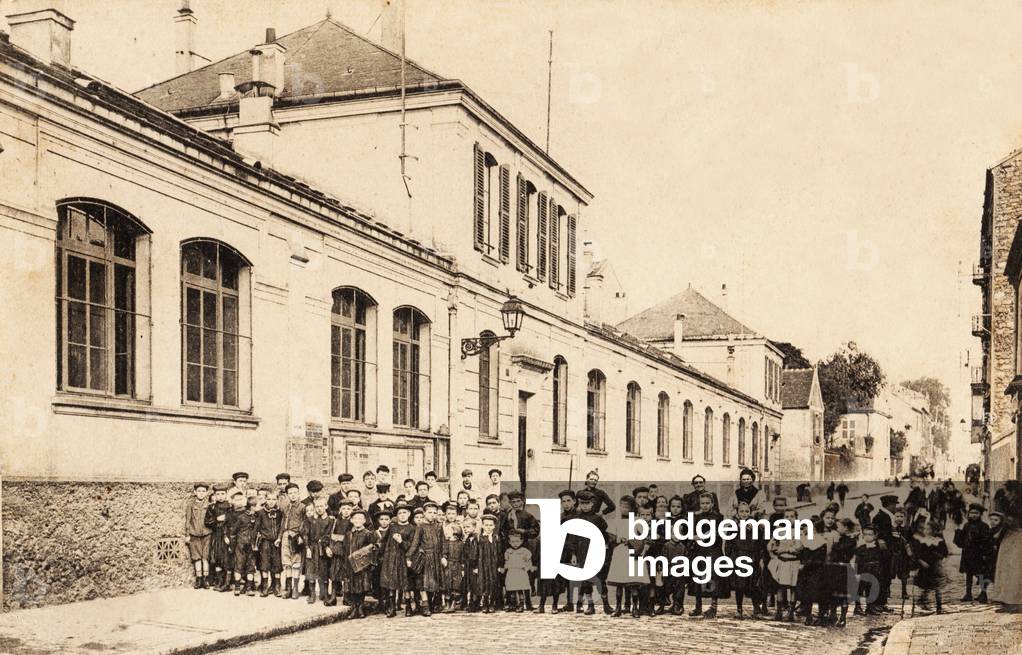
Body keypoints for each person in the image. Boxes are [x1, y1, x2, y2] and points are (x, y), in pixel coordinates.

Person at [726, 501, 765, 619]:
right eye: (741, 511)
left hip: (752, 558)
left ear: (750, 513)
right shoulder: (733, 527)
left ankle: (756, 607)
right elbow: (729, 544)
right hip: (738, 558)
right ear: (737, 513)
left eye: (746, 511)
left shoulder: (755, 527)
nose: (744, 514)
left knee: (753, 584)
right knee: (740, 585)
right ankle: (739, 608)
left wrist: (758, 558)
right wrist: (729, 558)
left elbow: (759, 543)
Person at [407, 501, 444, 616]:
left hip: (436, 557)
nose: (432, 515)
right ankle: (425, 605)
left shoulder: (438, 526)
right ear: (424, 513)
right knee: (424, 583)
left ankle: (433, 604)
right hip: (425, 558)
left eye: (434, 512)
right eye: (429, 512)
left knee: (434, 582)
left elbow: (443, 543)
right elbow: (415, 543)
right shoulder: (420, 527)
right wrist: (409, 557)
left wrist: (444, 556)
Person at [990, 480, 1022, 609]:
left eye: (1008, 492)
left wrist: (1007, 520)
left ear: (1014, 492)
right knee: (1005, 566)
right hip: (1009, 537)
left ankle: (1016, 600)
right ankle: (1006, 598)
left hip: (1018, 537)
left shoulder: (1019, 504)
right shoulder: (1009, 504)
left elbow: (1017, 522)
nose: (1006, 495)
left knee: (1015, 568)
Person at [767, 508, 802, 622]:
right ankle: (779, 611)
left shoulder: (799, 532)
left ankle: (791, 611)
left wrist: (785, 549)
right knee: (780, 587)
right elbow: (771, 545)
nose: (789, 519)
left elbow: (799, 547)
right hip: (782, 562)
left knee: (793, 587)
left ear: (796, 519)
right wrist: (773, 554)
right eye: (787, 517)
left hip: (794, 562)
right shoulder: (780, 531)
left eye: (792, 516)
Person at [380, 503, 415, 617]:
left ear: (409, 514)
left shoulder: (411, 528)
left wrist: (401, 542)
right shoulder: (392, 527)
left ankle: (408, 606)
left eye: (404, 512)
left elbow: (412, 545)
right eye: (400, 513)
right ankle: (392, 607)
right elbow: (384, 541)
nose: (402, 515)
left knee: (406, 583)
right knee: (391, 582)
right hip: (391, 558)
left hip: (404, 558)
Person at [343, 508, 378, 618]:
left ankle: (361, 607)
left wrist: (370, 563)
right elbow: (345, 549)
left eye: (360, 518)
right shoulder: (348, 534)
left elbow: (373, 548)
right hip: (351, 564)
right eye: (355, 518)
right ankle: (354, 607)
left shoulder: (368, 534)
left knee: (362, 586)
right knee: (352, 586)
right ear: (351, 520)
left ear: (364, 520)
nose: (358, 520)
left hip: (363, 566)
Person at [955, 502, 993, 602]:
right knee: (969, 574)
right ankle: (968, 594)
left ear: (980, 514)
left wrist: (985, 554)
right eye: (971, 513)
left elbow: (986, 541)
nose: (973, 515)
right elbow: (960, 542)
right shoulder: (966, 525)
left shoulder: (984, 526)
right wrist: (958, 532)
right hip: (967, 554)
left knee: (981, 574)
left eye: (976, 513)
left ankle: (983, 594)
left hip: (979, 554)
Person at [300, 496, 334, 605]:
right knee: (311, 571)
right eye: (317, 506)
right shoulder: (310, 520)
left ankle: (324, 593)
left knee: (323, 570)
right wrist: (307, 548)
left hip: (323, 549)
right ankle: (312, 594)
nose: (319, 508)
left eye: (321, 506)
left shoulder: (330, 520)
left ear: (326, 506)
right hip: (312, 548)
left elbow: (329, 535)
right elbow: (305, 534)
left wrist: (326, 545)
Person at [910, 519, 948, 614]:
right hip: (925, 567)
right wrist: (921, 562)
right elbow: (917, 554)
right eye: (925, 529)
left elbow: (945, 553)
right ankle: (922, 601)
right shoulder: (922, 541)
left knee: (937, 586)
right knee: (926, 586)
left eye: (928, 529)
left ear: (934, 530)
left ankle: (939, 606)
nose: (926, 531)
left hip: (936, 567)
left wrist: (938, 558)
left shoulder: (939, 541)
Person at [277, 482, 306, 599]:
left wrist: (301, 536)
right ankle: (288, 588)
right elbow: (283, 523)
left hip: (296, 537)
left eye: (295, 492)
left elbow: (305, 523)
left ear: (298, 493)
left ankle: (295, 588)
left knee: (296, 563)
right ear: (287, 495)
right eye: (290, 493)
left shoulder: (302, 507)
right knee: (287, 562)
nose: (293, 495)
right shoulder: (286, 507)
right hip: (285, 536)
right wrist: (279, 537)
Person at [230, 496, 260, 596]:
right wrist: (233, 545)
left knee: (251, 566)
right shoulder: (241, 517)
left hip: (252, 545)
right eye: (257, 506)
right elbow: (233, 532)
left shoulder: (257, 517)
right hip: (241, 545)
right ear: (252, 506)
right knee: (239, 565)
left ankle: (248, 587)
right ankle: (237, 587)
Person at [853, 525, 887, 615]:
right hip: (863, 570)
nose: (867, 536)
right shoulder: (861, 548)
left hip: (875, 571)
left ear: (875, 536)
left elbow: (883, 560)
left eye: (870, 534)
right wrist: (857, 573)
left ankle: (870, 607)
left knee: (871, 589)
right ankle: (857, 607)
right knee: (860, 589)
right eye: (865, 534)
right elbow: (858, 561)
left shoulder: (879, 547)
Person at [184, 482, 212, 589]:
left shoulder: (209, 505)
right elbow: (188, 520)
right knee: (197, 558)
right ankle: (199, 579)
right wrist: (187, 534)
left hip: (207, 533)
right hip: (194, 534)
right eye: (199, 491)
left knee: (205, 557)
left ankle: (206, 579)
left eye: (203, 491)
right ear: (195, 492)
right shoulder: (191, 505)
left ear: (206, 493)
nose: (201, 493)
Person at [255, 491, 283, 597]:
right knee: (264, 564)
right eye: (269, 499)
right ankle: (265, 587)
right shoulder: (261, 512)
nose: (271, 502)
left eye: (274, 499)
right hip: (265, 542)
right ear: (266, 500)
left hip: (276, 542)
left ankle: (276, 587)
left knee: (276, 564)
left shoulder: (280, 512)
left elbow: (282, 527)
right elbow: (257, 527)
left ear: (277, 500)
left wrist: (279, 538)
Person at [475, 513, 504, 613]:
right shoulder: (479, 538)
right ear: (482, 525)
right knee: (484, 583)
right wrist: (475, 566)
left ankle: (492, 603)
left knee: (493, 583)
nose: (488, 527)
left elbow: (500, 553)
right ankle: (485, 603)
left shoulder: (496, 538)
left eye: (491, 525)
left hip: (494, 565)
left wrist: (500, 565)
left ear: (494, 526)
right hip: (482, 565)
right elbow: (476, 553)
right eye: (486, 525)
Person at [502, 529, 533, 612]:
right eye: (512, 541)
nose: (515, 544)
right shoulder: (508, 552)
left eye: (517, 541)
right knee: (511, 589)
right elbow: (506, 561)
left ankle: (521, 604)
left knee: (520, 589)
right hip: (511, 573)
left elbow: (528, 562)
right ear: (509, 542)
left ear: (522, 541)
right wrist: (504, 568)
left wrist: (527, 568)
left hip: (520, 573)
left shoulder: (525, 551)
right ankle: (512, 605)